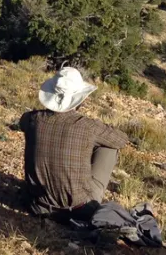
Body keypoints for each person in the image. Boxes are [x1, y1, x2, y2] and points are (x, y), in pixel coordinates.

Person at [19, 67, 129, 221]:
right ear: (79, 98)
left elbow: (22, 123)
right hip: (80, 211)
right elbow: (121, 140)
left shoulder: (31, 119)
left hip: (37, 206)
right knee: (108, 147)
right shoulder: (87, 126)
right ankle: (89, 198)